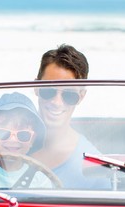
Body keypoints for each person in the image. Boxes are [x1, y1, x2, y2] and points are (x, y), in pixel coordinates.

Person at [32, 44, 110, 189]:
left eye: (69, 95)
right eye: (49, 91)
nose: (56, 102)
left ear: (81, 96)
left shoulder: (92, 166)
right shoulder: (7, 138)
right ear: (36, 87)